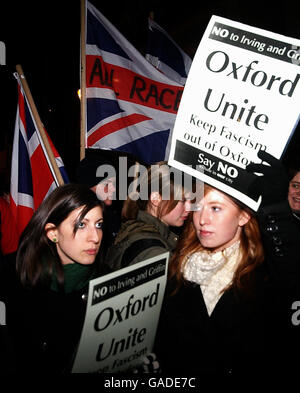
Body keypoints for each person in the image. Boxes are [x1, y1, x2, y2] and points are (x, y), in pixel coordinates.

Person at [154, 151, 300, 377]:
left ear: (243, 217)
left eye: (215, 208)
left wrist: (277, 209)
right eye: (198, 206)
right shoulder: (179, 264)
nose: (202, 219)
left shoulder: (262, 274)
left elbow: (291, 274)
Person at [2, 183, 108, 374]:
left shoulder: (108, 281)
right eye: (81, 225)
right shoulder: (12, 275)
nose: (95, 237)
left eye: (98, 224)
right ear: (53, 233)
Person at [105, 162, 193, 271]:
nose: (189, 208)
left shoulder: (136, 228)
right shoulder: (154, 253)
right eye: (183, 200)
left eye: (191, 200)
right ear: (156, 198)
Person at [76, 155, 121, 257]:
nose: (113, 189)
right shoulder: (76, 223)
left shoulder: (115, 219)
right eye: (106, 184)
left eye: (114, 184)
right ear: (88, 187)